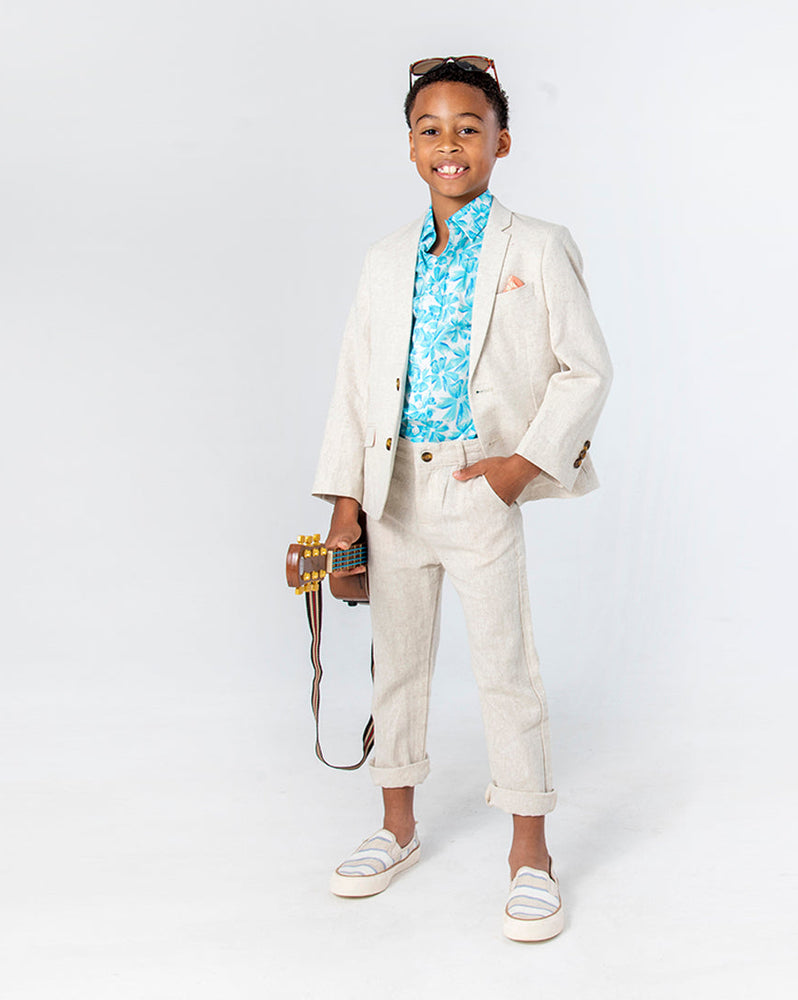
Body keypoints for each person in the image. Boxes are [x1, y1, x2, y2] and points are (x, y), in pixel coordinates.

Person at [310, 56, 612, 942]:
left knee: (504, 670)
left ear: (501, 142)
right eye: (431, 129)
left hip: (479, 486)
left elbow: (586, 368)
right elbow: (355, 384)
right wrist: (345, 506)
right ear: (410, 146)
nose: (450, 144)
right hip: (391, 487)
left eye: (469, 128)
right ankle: (396, 827)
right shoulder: (383, 261)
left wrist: (524, 465)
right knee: (396, 667)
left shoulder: (537, 246)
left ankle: (531, 855)